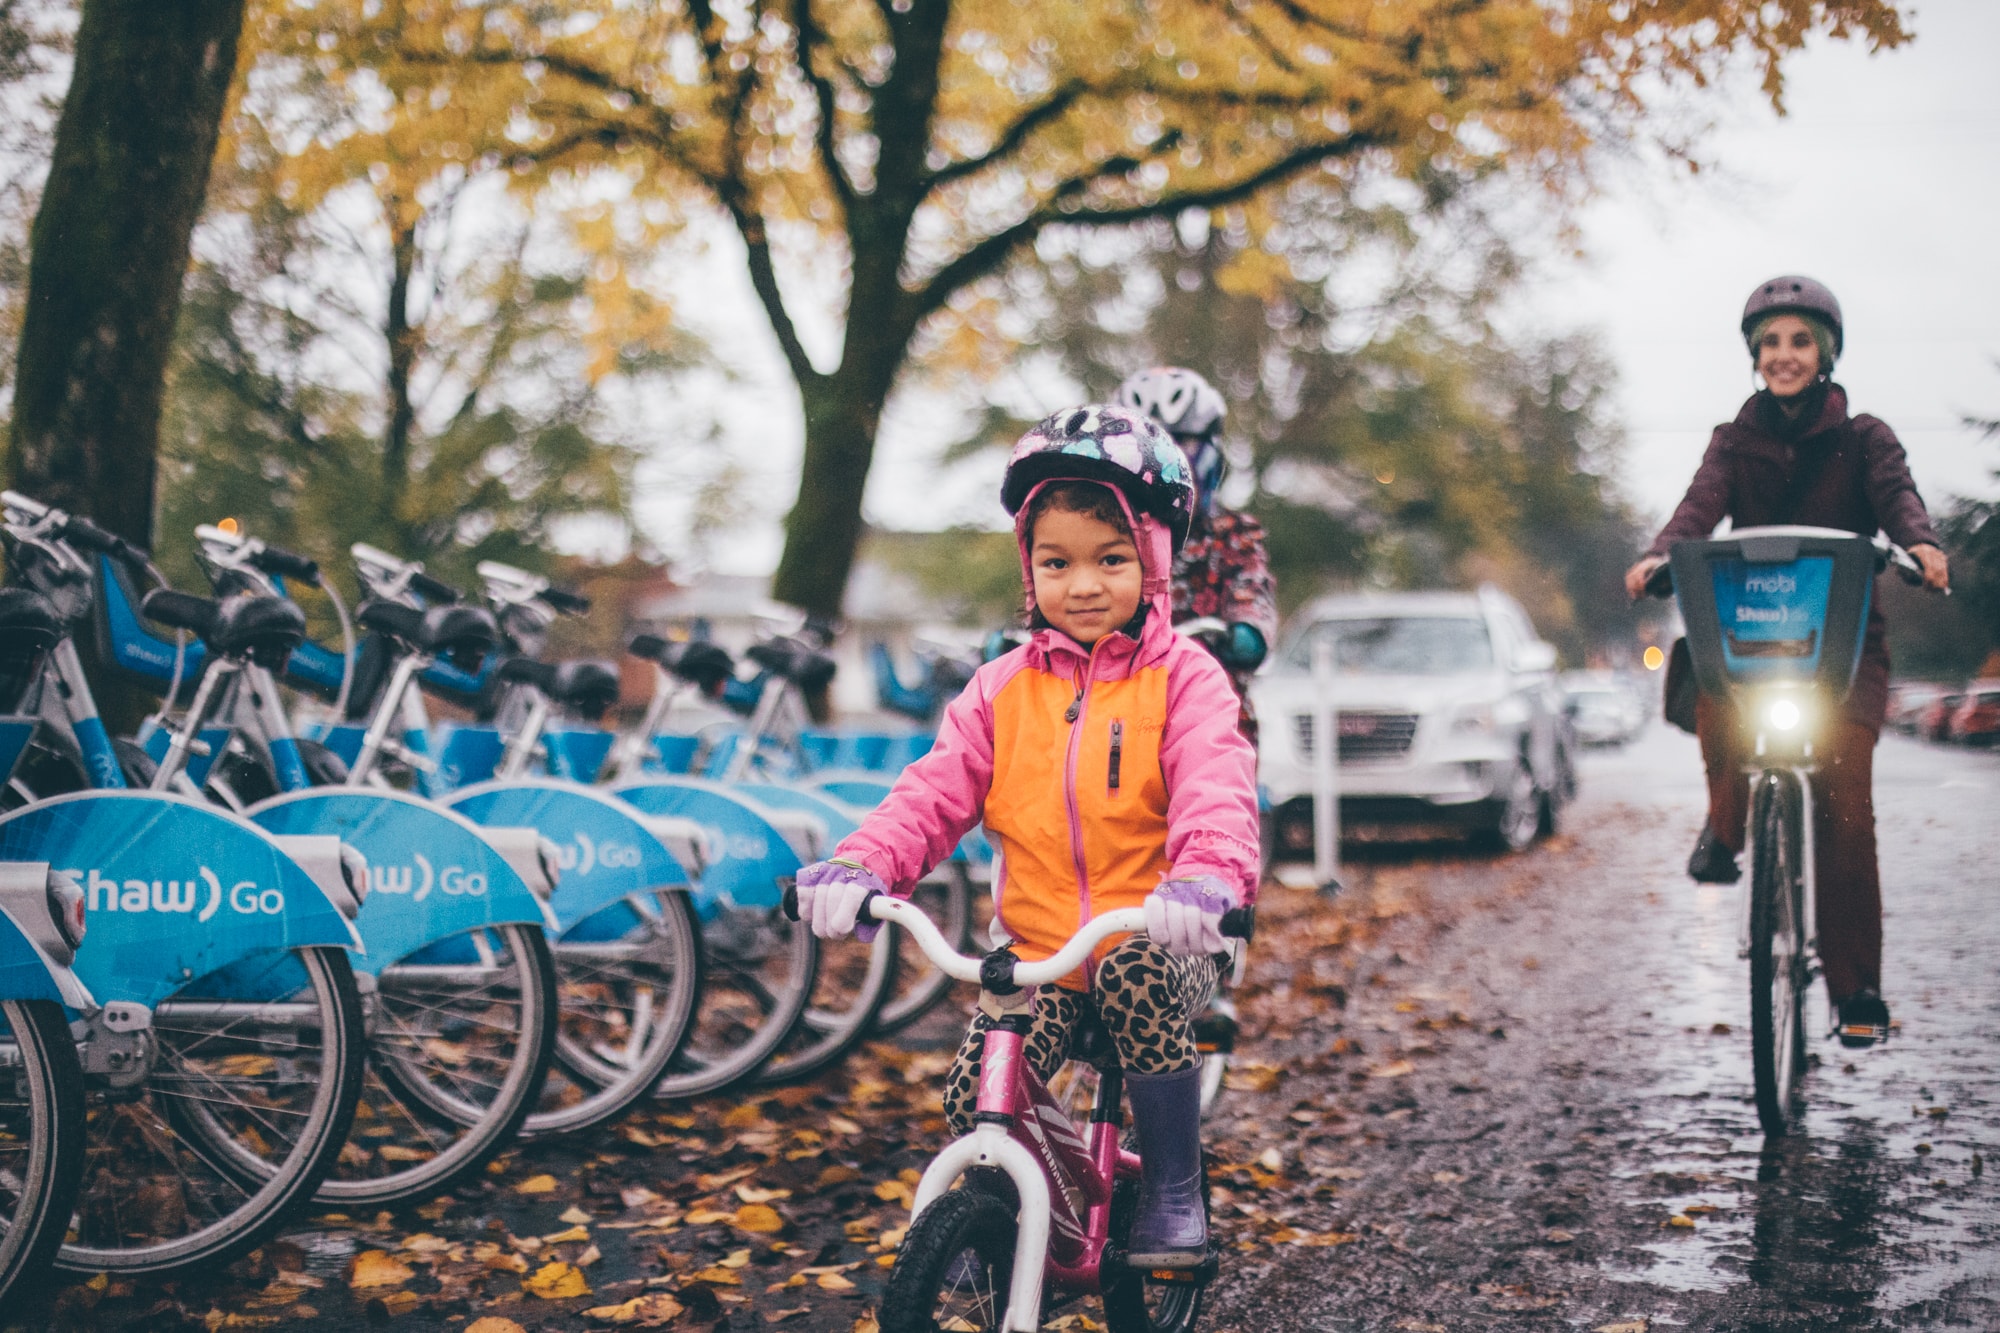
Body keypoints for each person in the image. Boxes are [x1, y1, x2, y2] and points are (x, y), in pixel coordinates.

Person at [794, 404, 1261, 1266]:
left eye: (1110, 559)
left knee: (1133, 970)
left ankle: (1172, 1181)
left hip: (1163, 934)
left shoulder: (1187, 679)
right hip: (1043, 951)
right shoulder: (1000, 688)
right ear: (1029, 566)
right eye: (1057, 561)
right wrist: (862, 862)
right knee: (979, 1088)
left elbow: (1217, 788)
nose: (1083, 584)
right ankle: (1021, 1205)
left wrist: (1205, 878)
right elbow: (932, 792)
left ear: (1153, 562)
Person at [1622, 275, 1950, 1048]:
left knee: (1844, 801)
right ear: (1754, 356)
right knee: (1707, 676)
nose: (1784, 355)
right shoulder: (1733, 441)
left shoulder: (1865, 436)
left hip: (1843, 648)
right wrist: (1657, 555)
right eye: (1769, 342)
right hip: (1757, 637)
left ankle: (1855, 988)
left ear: (1826, 351)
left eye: (1800, 340)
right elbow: (1698, 507)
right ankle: (1727, 828)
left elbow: (1897, 497)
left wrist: (1921, 543)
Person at [1115, 367, 1277, 744]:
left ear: (1211, 453)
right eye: (1149, 442)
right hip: (1119, 714)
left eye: (1183, 440)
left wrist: (1248, 629)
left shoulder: (1233, 537)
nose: (1167, 455)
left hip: (1210, 714)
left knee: (1219, 787)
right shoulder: (1106, 536)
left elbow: (1253, 587)